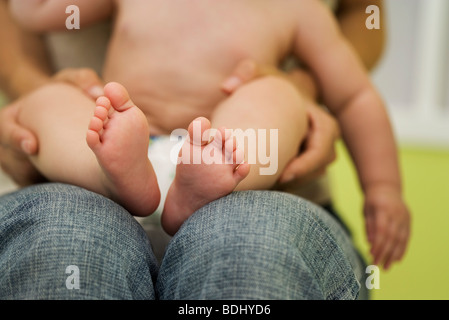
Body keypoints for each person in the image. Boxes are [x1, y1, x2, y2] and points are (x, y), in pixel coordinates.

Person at [0, 0, 402, 300]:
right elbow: (36, 11)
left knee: (278, 94)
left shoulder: (296, 7)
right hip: (129, 148)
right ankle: (112, 177)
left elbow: (354, 97)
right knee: (51, 99)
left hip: (222, 154)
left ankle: (203, 187)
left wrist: (382, 187)